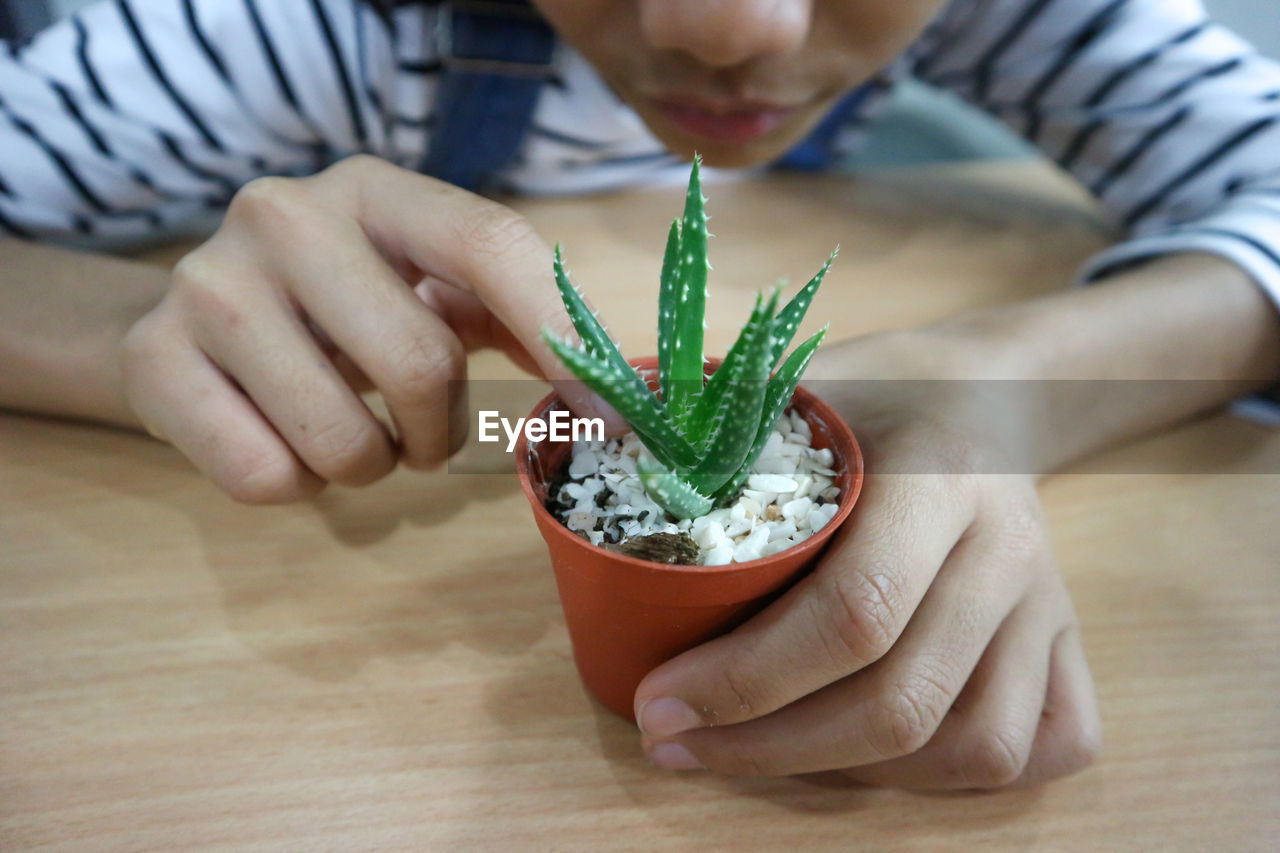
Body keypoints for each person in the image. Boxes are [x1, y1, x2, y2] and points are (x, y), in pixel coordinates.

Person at [1, 0, 1277, 788]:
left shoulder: (1033, 15)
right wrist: (137, 333)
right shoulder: (271, 32)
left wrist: (1004, 379)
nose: (730, 27)